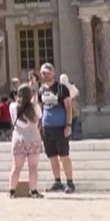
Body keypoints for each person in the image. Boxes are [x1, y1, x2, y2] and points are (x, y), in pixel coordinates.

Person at [37, 63, 75, 193]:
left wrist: (68, 124)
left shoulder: (61, 88)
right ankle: (57, 181)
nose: (45, 75)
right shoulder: (41, 90)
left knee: (64, 156)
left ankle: (70, 182)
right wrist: (38, 126)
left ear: (53, 73)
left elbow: (69, 107)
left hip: (60, 126)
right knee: (52, 156)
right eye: (42, 73)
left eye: (47, 72)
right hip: (47, 127)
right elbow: (40, 108)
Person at [8, 84, 44, 199]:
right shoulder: (35, 107)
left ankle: (12, 191)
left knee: (16, 167)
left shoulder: (12, 106)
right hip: (33, 137)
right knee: (33, 167)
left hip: (18, 137)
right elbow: (39, 118)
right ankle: (33, 191)